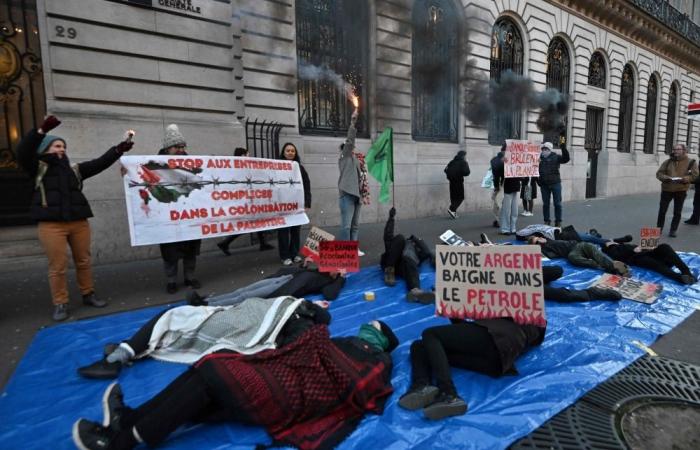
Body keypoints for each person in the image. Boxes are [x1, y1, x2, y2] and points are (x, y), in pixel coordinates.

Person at [72, 322, 398, 450]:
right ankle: (128, 420)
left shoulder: (380, 362)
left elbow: (358, 388)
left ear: (381, 339)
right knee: (212, 367)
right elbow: (305, 349)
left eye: (373, 327)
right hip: (282, 373)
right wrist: (316, 343)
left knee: (214, 373)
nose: (367, 326)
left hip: (292, 396)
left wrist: (320, 346)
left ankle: (121, 442)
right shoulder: (342, 339)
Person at [16, 115, 134, 321]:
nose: (61, 149)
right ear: (45, 150)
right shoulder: (37, 167)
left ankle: (88, 294)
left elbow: (100, 163)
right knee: (57, 266)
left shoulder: (75, 170)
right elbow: (23, 152)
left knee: (84, 260)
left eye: (63, 146)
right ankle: (60, 303)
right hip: (51, 225)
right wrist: (41, 131)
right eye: (56, 146)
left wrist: (119, 149)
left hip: (78, 222)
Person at [77, 296, 332, 379]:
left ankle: (124, 353)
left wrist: (334, 279)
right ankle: (133, 346)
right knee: (180, 318)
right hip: (246, 309)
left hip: (244, 322)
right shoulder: (294, 305)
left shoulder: (299, 324)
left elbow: (288, 343)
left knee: (176, 318)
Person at [398, 317, 544, 420]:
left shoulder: (524, 306)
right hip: (497, 361)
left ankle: (448, 392)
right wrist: (452, 308)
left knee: (430, 334)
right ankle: (422, 385)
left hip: (498, 336)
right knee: (421, 346)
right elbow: (464, 334)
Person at [156, 125, 203, 294]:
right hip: (168, 214)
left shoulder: (192, 163)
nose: (181, 150)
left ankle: (190, 277)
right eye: (177, 147)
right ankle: (171, 280)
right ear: (168, 148)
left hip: (188, 212)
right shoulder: (154, 163)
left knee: (191, 247)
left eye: (183, 147)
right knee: (170, 250)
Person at [216, 147, 274, 255]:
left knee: (256, 221)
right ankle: (225, 243)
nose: (249, 156)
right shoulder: (239, 169)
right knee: (247, 224)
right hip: (245, 201)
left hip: (248, 199)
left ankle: (262, 243)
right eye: (247, 154)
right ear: (242, 155)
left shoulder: (240, 168)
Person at [380, 208, 436, 303]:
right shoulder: (400, 243)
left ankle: (416, 291)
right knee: (400, 238)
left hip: (405, 266)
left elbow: (428, 253)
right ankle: (389, 271)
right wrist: (391, 218)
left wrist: (434, 259)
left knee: (409, 260)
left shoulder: (418, 249)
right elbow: (387, 237)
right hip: (392, 262)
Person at [338, 109, 370, 253]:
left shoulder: (357, 160)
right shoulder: (344, 158)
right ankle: (346, 251)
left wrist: (364, 193)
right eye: (349, 146)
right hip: (347, 195)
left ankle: (354, 249)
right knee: (346, 226)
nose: (352, 147)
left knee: (355, 225)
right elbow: (350, 141)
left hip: (358, 195)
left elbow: (363, 176)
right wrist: (352, 123)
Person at [277, 142, 311, 265]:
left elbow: (307, 186)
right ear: (283, 153)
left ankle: (294, 253)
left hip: (297, 206)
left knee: (295, 231)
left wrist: (307, 203)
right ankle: (285, 256)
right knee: (283, 232)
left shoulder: (300, 169)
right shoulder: (276, 168)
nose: (290, 153)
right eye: (288, 151)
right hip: (282, 206)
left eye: (293, 151)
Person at [602, 241, 697, 285]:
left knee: (664, 246)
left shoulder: (621, 244)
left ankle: (686, 272)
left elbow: (628, 238)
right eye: (609, 242)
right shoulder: (610, 251)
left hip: (647, 252)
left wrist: (645, 246)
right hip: (636, 258)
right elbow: (621, 258)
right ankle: (679, 278)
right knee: (655, 265)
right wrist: (634, 251)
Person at [527, 236, 629, 276]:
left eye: (538, 238)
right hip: (574, 251)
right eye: (537, 242)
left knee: (596, 253)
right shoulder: (545, 249)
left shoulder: (549, 239)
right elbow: (541, 256)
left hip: (579, 245)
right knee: (573, 257)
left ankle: (614, 266)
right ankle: (609, 267)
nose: (540, 240)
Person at [656, 143, 698, 237]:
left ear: (684, 151)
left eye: (678, 149)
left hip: (681, 190)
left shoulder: (691, 162)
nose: (676, 151)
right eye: (674, 149)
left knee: (677, 212)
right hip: (667, 189)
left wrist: (685, 179)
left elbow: (695, 175)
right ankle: (659, 229)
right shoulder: (667, 162)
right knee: (662, 211)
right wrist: (665, 177)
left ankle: (673, 230)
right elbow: (659, 173)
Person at [538, 140, 570, 227]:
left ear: (550, 149)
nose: (544, 150)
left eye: (546, 149)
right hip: (544, 185)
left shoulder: (556, 157)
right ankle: (547, 221)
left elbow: (566, 159)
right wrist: (538, 181)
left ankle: (558, 221)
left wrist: (563, 148)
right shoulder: (539, 158)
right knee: (545, 204)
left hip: (555, 183)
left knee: (557, 204)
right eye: (543, 149)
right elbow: (534, 170)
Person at [445, 150, 470, 218]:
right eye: (465, 155)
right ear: (463, 156)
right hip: (459, 182)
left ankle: (453, 213)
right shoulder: (463, 162)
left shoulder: (452, 162)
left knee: (453, 197)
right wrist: (460, 172)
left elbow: (445, 170)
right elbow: (467, 172)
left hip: (451, 182)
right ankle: (451, 209)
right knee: (460, 197)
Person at [490, 147, 505, 228]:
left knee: (498, 203)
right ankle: (499, 220)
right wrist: (497, 186)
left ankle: (498, 220)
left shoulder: (494, 160)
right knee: (499, 203)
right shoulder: (499, 161)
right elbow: (496, 175)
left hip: (501, 184)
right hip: (502, 184)